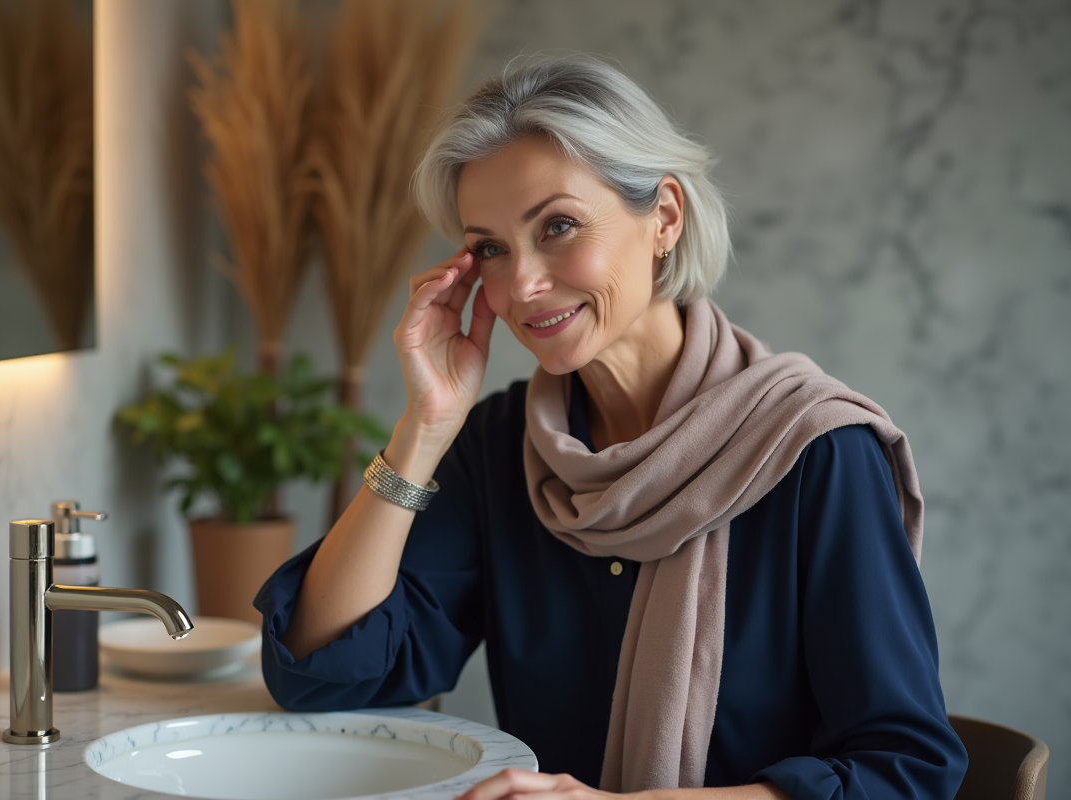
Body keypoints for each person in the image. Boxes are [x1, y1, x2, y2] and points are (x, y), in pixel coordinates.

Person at [255, 55, 968, 800]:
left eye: (558, 226)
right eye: (492, 248)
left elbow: (905, 770)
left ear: (663, 217)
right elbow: (322, 673)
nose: (523, 284)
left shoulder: (817, 451)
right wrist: (424, 428)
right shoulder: (501, 449)